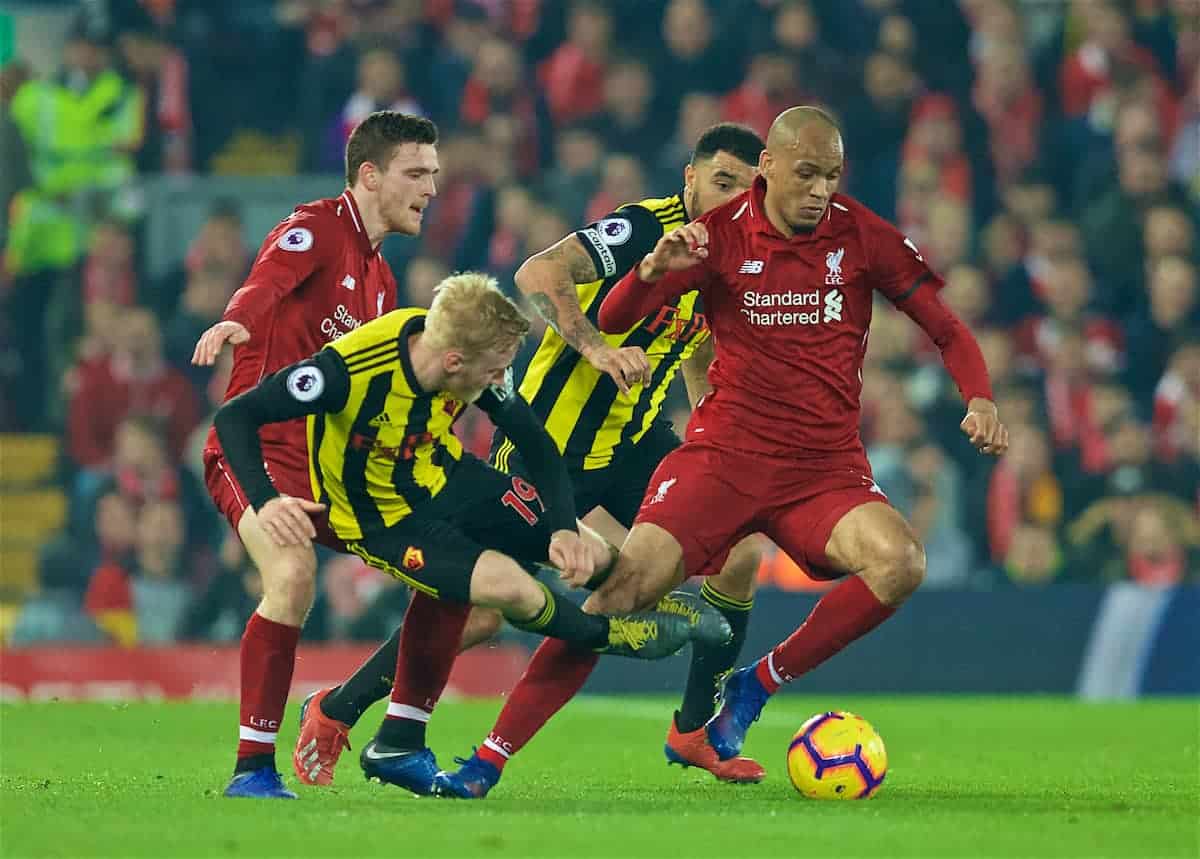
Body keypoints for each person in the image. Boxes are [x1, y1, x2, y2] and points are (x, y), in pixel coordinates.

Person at [433, 106, 1009, 799]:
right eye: (805, 173)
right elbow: (615, 317)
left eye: (831, 175)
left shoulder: (861, 235)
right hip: (722, 457)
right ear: (769, 167)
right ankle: (488, 759)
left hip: (823, 468)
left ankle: (755, 684)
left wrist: (978, 396)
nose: (820, 189)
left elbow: (946, 327)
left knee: (901, 562)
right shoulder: (715, 237)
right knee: (620, 593)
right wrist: (650, 273)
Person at [295, 123, 772, 787]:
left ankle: (695, 728)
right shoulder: (642, 230)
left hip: (635, 440)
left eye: (747, 191)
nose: (732, 202)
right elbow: (537, 271)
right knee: (483, 608)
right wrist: (595, 346)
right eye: (722, 184)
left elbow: (695, 344)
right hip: (548, 445)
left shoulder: (735, 254)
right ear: (690, 179)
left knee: (742, 549)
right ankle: (339, 704)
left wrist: (707, 424)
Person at [214, 274, 699, 796]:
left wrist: (562, 530)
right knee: (510, 591)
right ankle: (614, 638)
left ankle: (388, 735)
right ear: (453, 364)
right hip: (386, 521)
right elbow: (236, 416)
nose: (500, 379)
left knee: (599, 555)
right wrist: (267, 501)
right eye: (494, 370)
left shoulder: (471, 356)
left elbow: (535, 444)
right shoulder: (348, 371)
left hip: (450, 477)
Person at [189, 111, 470, 799]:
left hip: (332, 470)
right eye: (415, 173)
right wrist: (238, 317)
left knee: (465, 579)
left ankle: (372, 722)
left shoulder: (382, 285)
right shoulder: (317, 226)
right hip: (255, 451)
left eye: (434, 174)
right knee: (290, 574)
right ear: (369, 176)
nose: (430, 188)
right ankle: (253, 767)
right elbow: (268, 280)